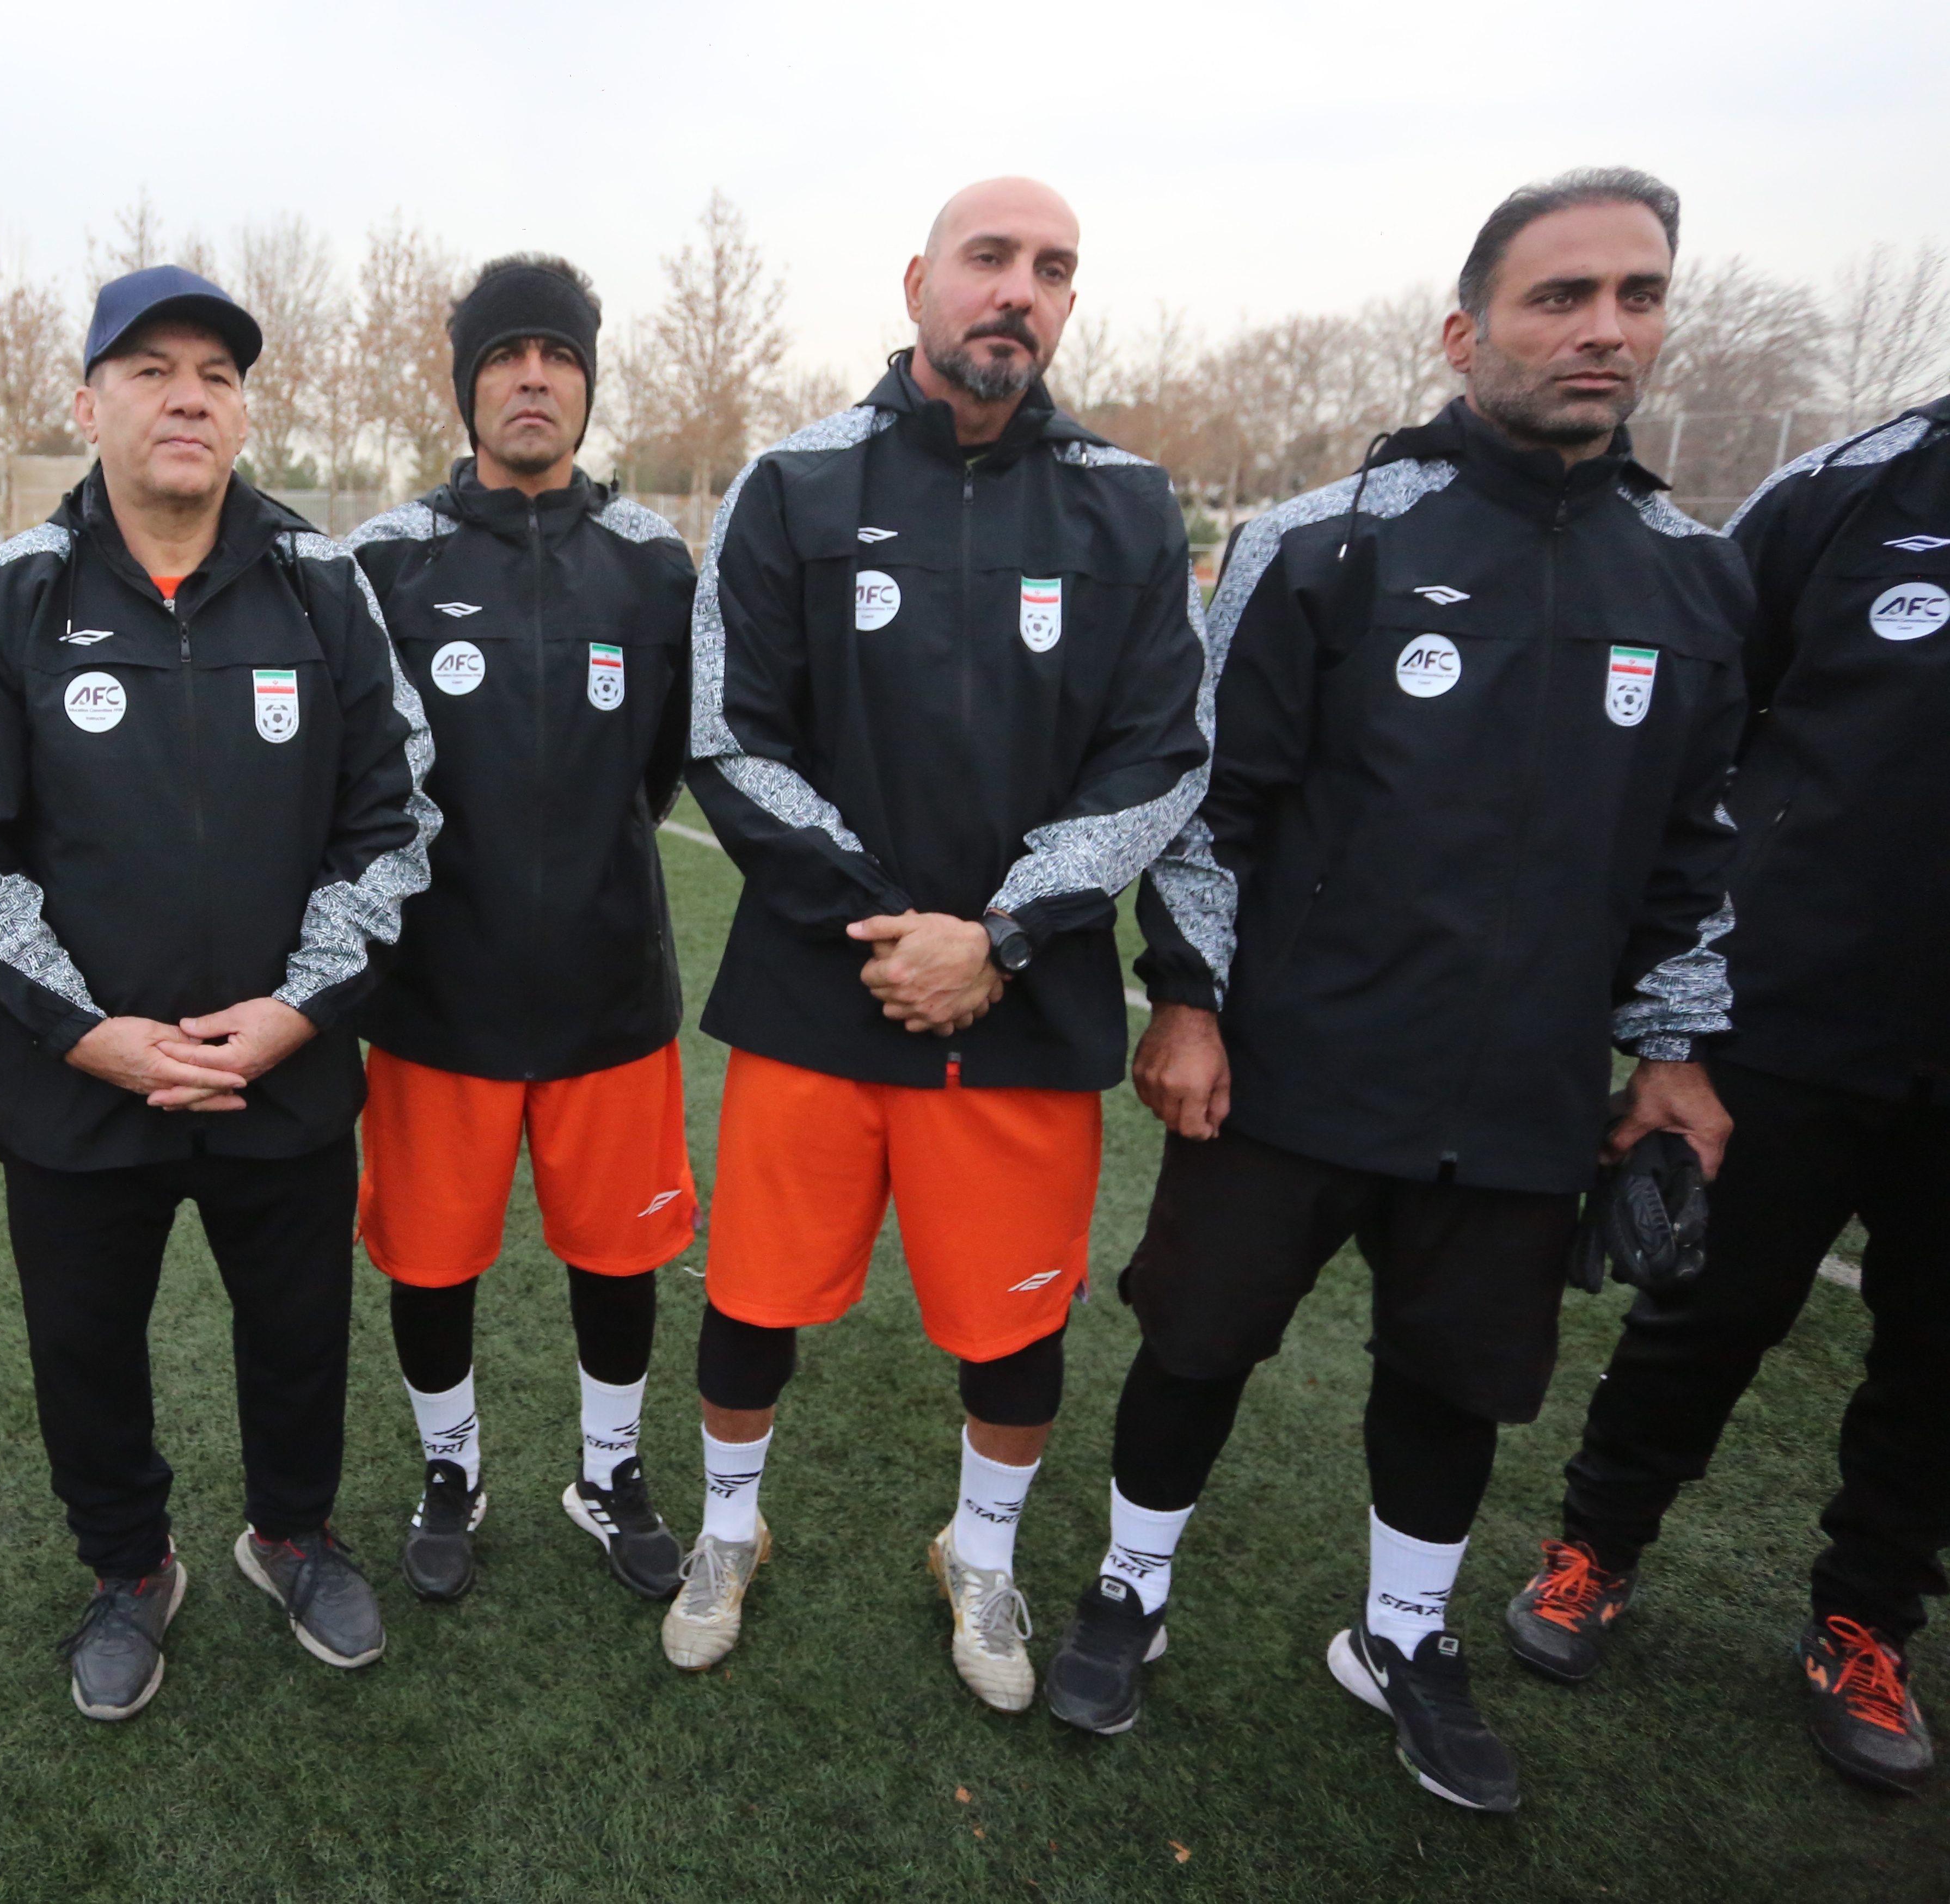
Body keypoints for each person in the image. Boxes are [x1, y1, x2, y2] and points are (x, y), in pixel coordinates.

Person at [1045, 169, 1749, 1814]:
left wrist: (1668, 1046)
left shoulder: (1695, 575)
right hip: (1291, 1062)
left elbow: (1700, 843)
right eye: (1558, 297)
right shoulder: (1325, 538)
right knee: (1196, 1343)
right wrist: (1187, 998)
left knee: (1451, 1380)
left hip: (1520, 1087)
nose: (1601, 329)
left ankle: (1402, 1636)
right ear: (1462, 331)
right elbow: (1209, 799)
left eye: (1635, 296)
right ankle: (1130, 1588)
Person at [670, 177, 1209, 1711]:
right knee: (750, 1297)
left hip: (1022, 1001)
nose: (1017, 290)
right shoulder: (793, 482)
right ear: (918, 282)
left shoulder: (1126, 503)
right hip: (819, 989)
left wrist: (1000, 934)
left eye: (1052, 268)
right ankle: (726, 1532)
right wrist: (892, 929)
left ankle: (979, 1555)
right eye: (989, 259)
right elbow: (728, 730)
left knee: (1012, 1320)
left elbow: (1161, 752)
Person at [0, 266, 438, 1721]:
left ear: (244, 411)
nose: (186, 396)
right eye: (149, 370)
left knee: (298, 1334)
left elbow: (393, 825)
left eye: (215, 373)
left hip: (284, 1070)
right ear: (89, 407)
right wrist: (90, 1034)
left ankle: (291, 1534)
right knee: (84, 1351)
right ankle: (128, 1568)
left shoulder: (323, 584)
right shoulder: (12, 596)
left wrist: (297, 1011)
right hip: (80, 1085)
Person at [1505, 390, 1950, 1795]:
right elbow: (1695, 724)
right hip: (1793, 1011)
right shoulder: (1849, 491)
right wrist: (1673, 1015)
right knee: (1706, 1308)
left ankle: (1865, 1621)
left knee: (1937, 1356)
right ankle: (1595, 1545)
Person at [343, 254, 699, 1606]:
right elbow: (360, 780)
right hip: (437, 997)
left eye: (557, 357)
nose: (532, 378)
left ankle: (609, 1473)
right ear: (468, 387)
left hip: (610, 989)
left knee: (619, 1257)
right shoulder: (386, 560)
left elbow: (658, 768)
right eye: (505, 357)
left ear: (588, 386)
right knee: (431, 1264)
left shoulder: (650, 562)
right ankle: (452, 1471)